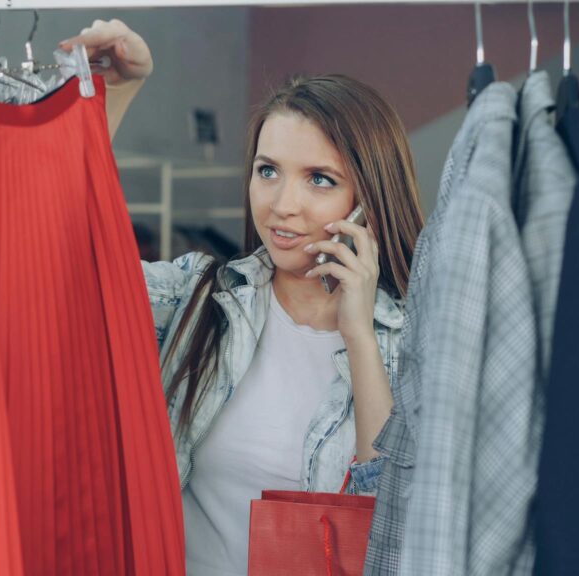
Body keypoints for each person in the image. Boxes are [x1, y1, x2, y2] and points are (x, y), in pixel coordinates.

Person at [62, 19, 425, 576]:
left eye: (319, 179)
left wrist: (359, 335)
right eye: (268, 171)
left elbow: (394, 527)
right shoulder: (198, 299)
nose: (283, 204)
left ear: (368, 201)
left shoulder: (415, 343)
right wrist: (114, 95)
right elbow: (68, 262)